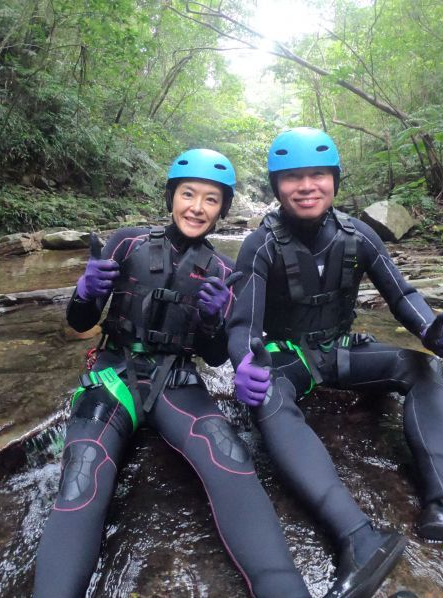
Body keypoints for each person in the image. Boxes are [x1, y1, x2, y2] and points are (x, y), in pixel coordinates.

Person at [228, 128, 443, 598]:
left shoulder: (358, 234)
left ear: (334, 181)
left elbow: (401, 294)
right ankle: (359, 537)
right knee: (267, 392)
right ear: (276, 186)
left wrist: (432, 330)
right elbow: (242, 323)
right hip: (290, 359)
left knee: (423, 368)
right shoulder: (260, 245)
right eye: (292, 178)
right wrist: (244, 363)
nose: (306, 186)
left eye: (318, 175)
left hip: (341, 350)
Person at [34, 149, 311, 598]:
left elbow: (216, 357)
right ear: (171, 197)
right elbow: (80, 321)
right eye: (188, 194)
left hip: (177, 382)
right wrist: (85, 291)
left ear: (222, 209)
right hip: (112, 374)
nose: (197, 208)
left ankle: (283, 589)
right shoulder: (127, 243)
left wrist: (211, 321)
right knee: (82, 475)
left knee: (230, 456)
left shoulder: (223, 270)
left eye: (210, 200)